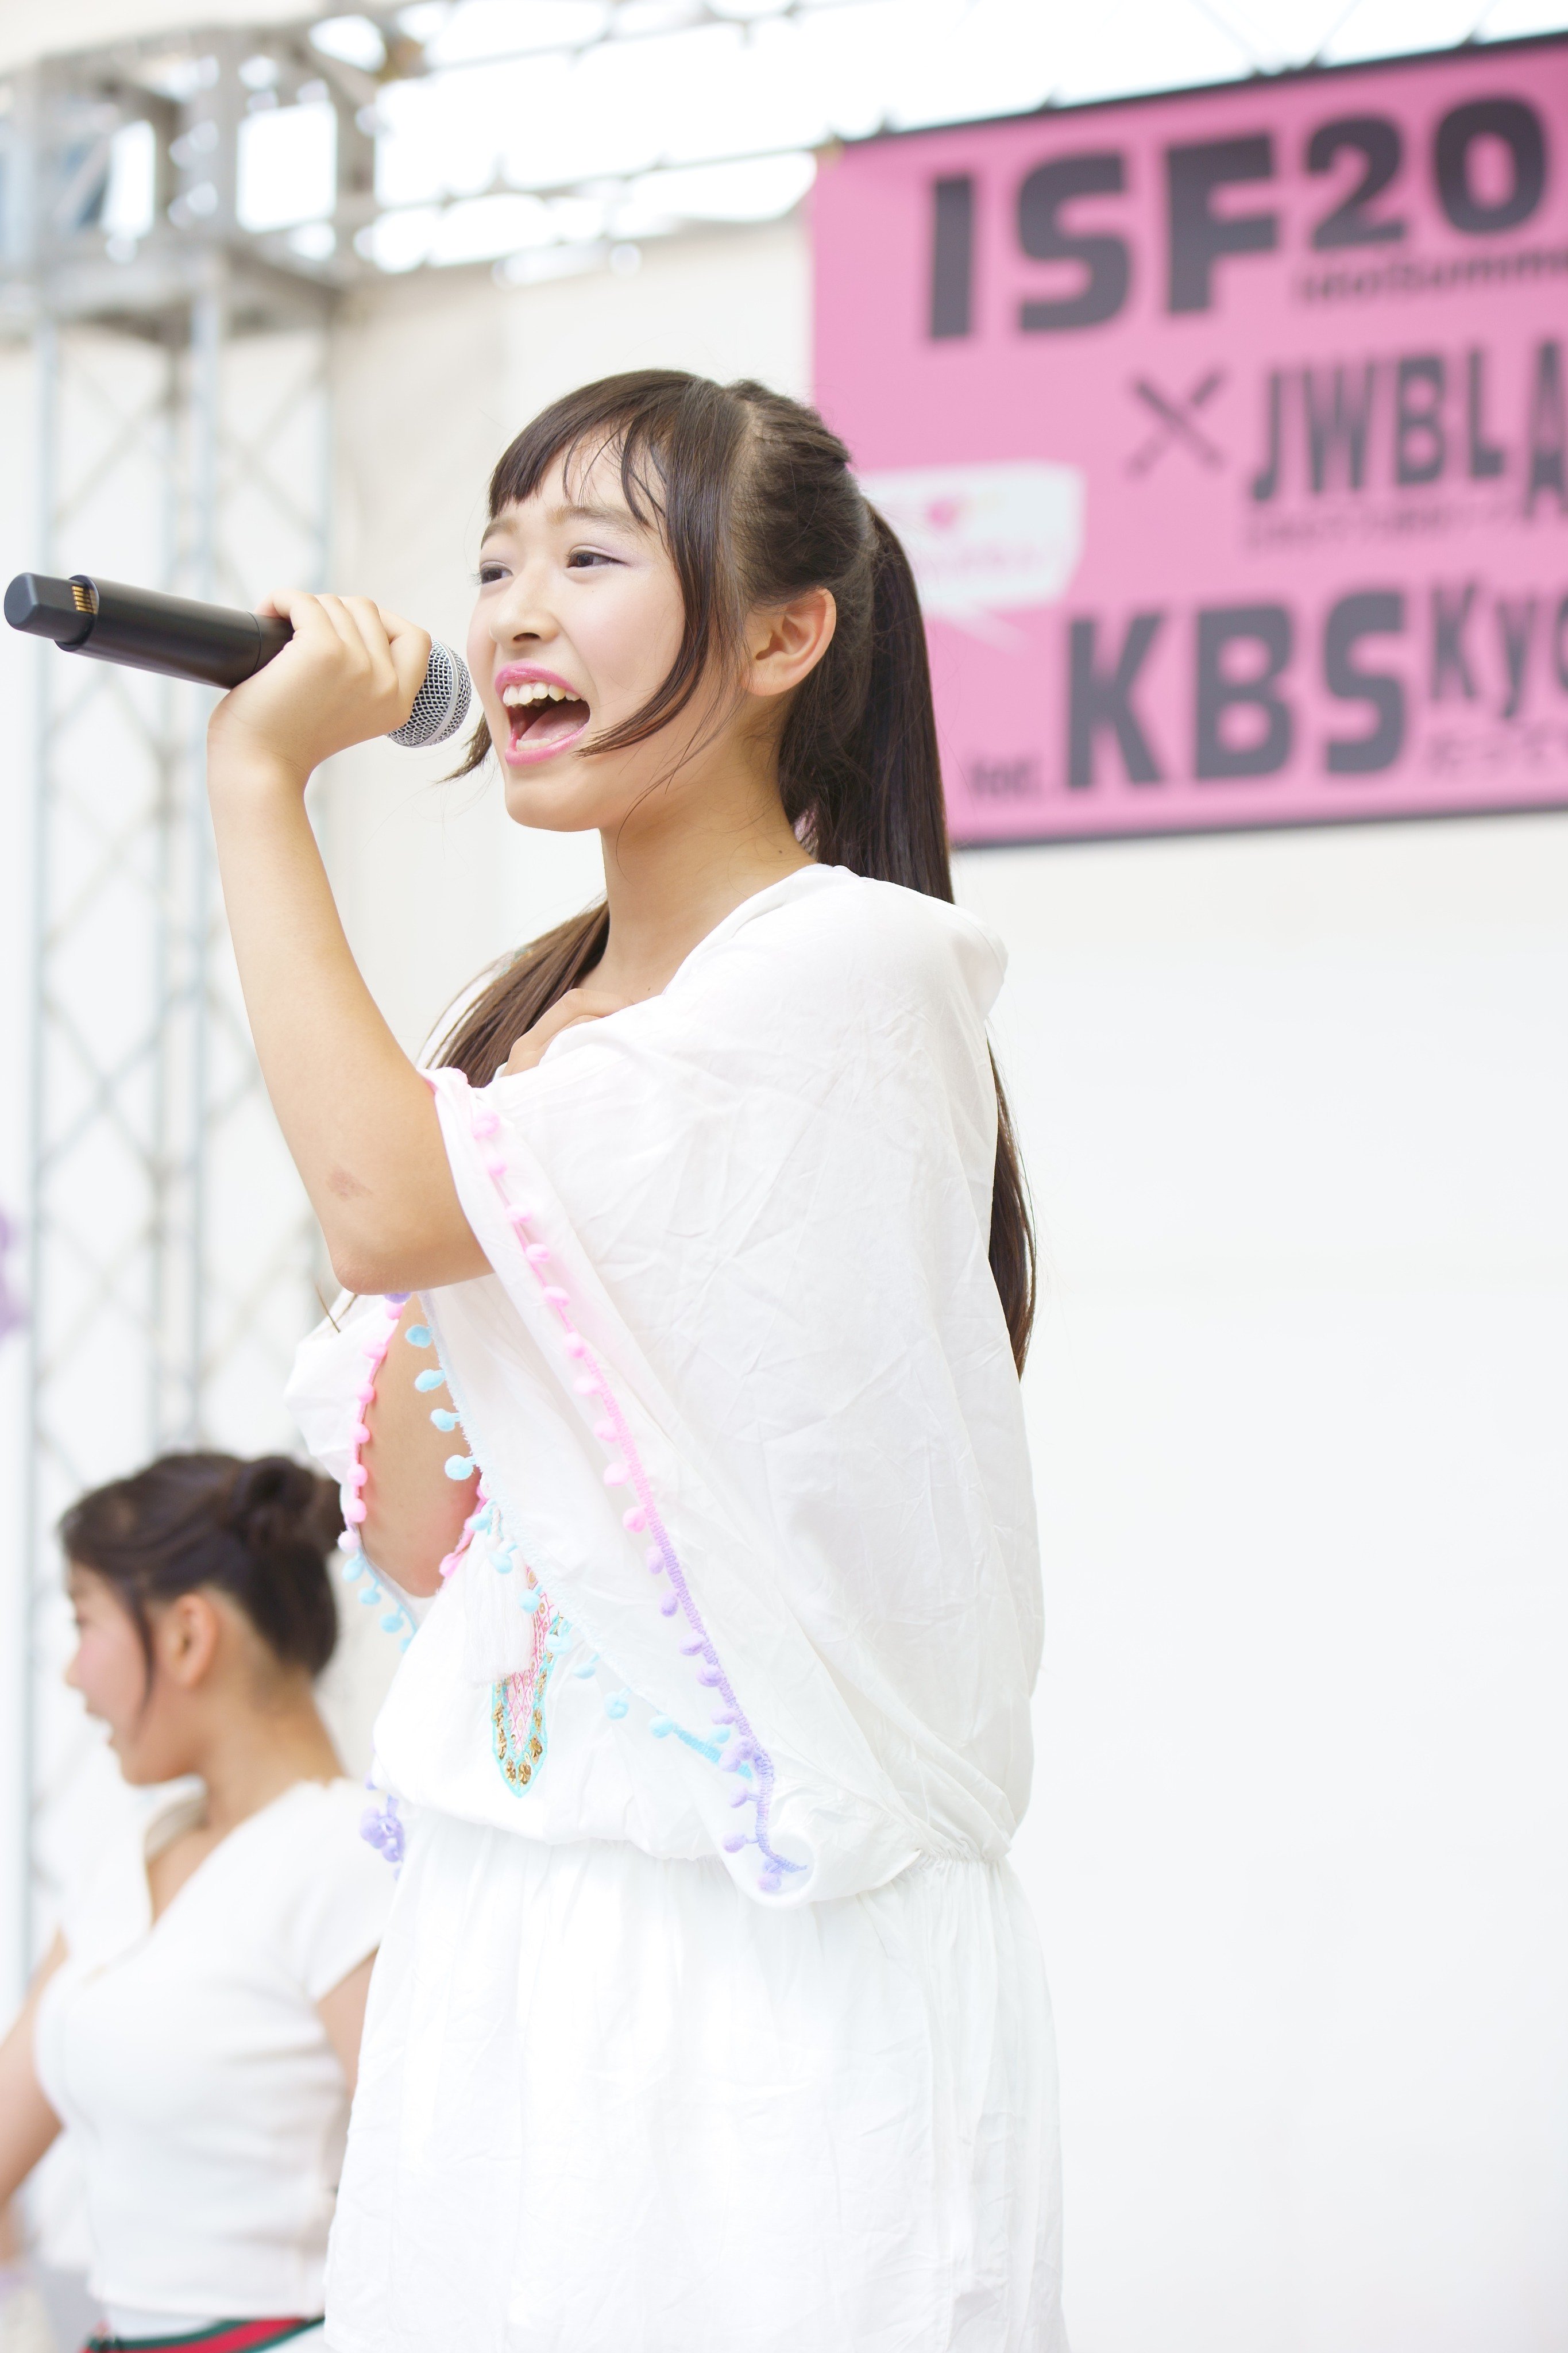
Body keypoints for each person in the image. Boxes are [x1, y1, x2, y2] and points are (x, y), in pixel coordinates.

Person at [219, 369, 1067, 2352]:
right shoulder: (537, 1038)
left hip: (770, 1971)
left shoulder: (843, 972)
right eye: (494, 559)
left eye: (590, 558)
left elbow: (375, 1203)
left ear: (783, 638)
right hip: (507, 1938)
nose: (516, 611)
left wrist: (260, 787)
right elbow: (421, 1537)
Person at [0, 1453, 395, 2353]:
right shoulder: (135, 1857)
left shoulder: (346, 1857)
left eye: (84, 1621)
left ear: (187, 1636)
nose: (72, 1675)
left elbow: (439, 2200)